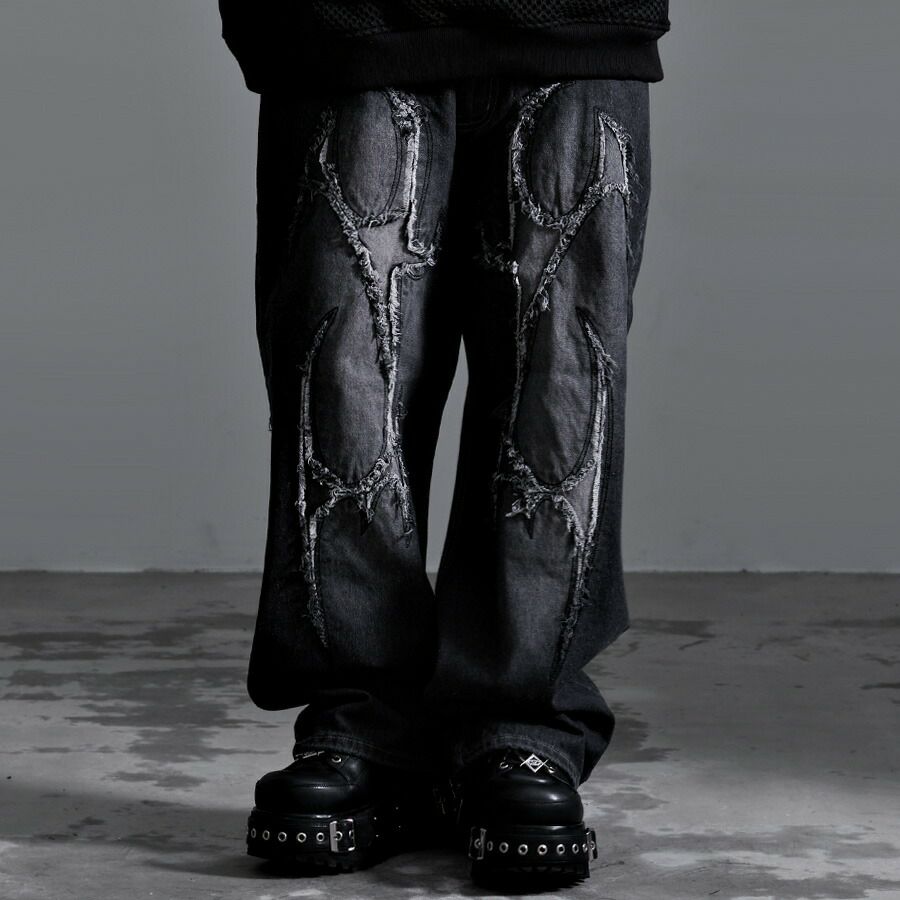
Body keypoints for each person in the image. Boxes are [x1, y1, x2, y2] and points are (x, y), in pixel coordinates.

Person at [218, 1, 670, 888]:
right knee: (343, 391)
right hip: (347, 14)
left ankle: (522, 724)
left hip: (578, 11)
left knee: (557, 391)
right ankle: (365, 725)